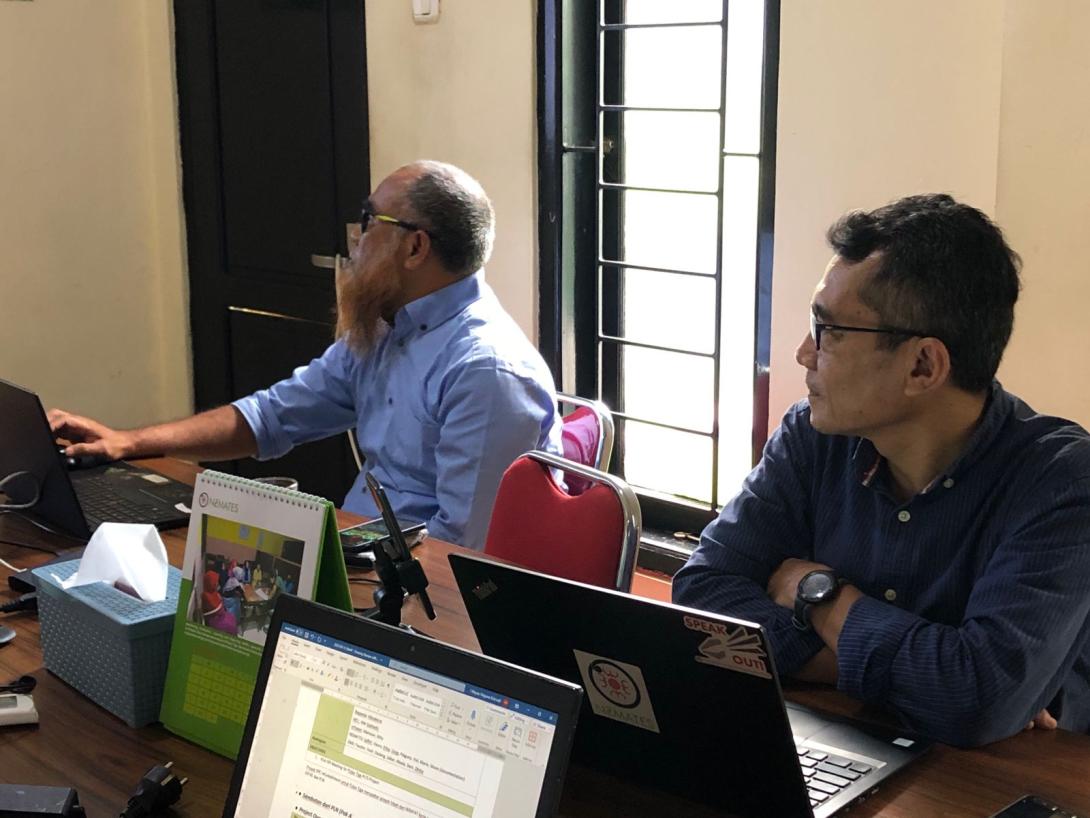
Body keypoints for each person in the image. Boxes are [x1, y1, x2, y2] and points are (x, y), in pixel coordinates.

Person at [673, 194, 1090, 748]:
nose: (803, 353)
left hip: (1008, 779)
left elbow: (974, 701)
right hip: (842, 745)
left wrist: (817, 594)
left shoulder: (1062, 482)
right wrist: (908, 676)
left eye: (829, 330)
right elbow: (702, 596)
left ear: (922, 365)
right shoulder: (813, 437)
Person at [48, 161, 563, 551]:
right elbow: (271, 416)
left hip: (418, 592)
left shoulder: (485, 372)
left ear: (415, 248)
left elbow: (463, 552)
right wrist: (127, 442)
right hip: (361, 554)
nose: (356, 240)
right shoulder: (386, 328)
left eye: (369, 220)